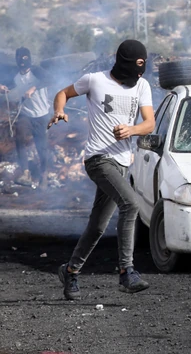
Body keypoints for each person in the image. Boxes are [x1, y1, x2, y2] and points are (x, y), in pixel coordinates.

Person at [49, 40, 155, 301]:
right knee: (131, 204)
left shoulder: (142, 85)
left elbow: (149, 123)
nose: (137, 76)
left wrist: (131, 130)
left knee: (97, 226)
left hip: (122, 162)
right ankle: (126, 271)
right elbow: (63, 93)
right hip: (98, 159)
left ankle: (70, 271)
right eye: (134, 70)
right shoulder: (94, 80)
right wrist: (59, 111)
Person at [0, 48, 53, 187]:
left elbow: (49, 79)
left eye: (25, 59)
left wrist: (33, 88)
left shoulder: (36, 71)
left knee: (42, 147)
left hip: (42, 115)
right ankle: (25, 173)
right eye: (20, 59)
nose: (23, 63)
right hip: (26, 113)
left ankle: (43, 175)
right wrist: (3, 88)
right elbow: (9, 85)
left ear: (29, 59)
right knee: (19, 139)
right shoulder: (15, 74)